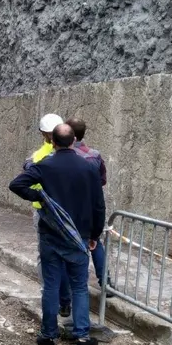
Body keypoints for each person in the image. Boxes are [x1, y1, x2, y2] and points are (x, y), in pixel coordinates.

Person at [9, 123, 105, 345]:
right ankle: (82, 337)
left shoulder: (45, 165)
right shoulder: (89, 167)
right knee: (79, 287)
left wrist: (40, 197)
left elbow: (16, 184)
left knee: (51, 286)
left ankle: (48, 336)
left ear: (52, 142)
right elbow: (98, 206)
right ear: (74, 141)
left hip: (50, 235)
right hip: (79, 236)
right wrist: (95, 234)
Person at [25, 114, 70, 317]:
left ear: (43, 134)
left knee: (45, 256)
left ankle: (49, 296)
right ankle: (65, 300)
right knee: (66, 255)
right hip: (67, 211)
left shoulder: (37, 157)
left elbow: (23, 183)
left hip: (44, 211)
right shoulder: (73, 154)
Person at [67, 118, 113, 298]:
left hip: (70, 206)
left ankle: (72, 286)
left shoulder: (66, 155)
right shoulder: (94, 155)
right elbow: (102, 180)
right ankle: (105, 282)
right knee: (95, 241)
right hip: (91, 206)